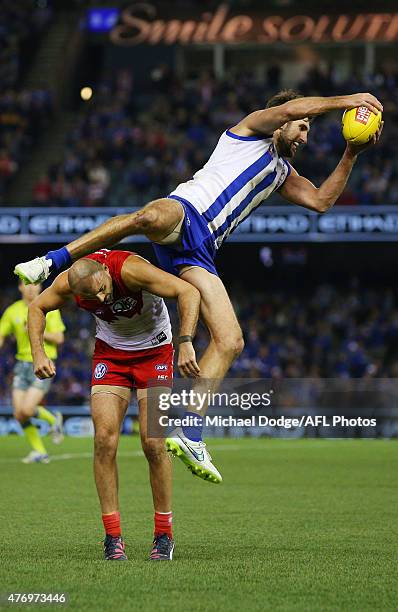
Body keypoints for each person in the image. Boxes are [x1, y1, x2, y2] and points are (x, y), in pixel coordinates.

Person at [15, 90, 384, 478]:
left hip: (200, 251)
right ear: (281, 120)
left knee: (230, 339)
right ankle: (52, 261)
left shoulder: (281, 174)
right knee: (145, 217)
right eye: (303, 127)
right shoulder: (248, 131)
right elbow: (293, 107)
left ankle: (190, 431)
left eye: (308, 131)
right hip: (186, 212)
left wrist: (351, 153)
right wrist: (348, 100)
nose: (305, 137)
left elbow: (322, 200)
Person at [27, 248, 202, 561]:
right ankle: (112, 536)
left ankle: (164, 534)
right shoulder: (69, 282)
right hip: (111, 356)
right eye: (92, 299)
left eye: (103, 290)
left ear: (104, 273)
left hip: (154, 352)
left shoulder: (130, 269)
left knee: (153, 442)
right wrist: (38, 353)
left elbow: (187, 290)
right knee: (103, 441)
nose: (103, 300)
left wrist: (186, 342)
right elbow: (38, 307)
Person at [0, 281, 65, 463]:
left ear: (40, 288)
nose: (30, 288)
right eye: (26, 284)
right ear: (20, 287)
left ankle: (52, 420)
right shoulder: (12, 311)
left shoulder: (48, 306)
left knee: (27, 409)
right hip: (21, 365)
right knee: (18, 413)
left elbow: (59, 337)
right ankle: (39, 451)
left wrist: (36, 330)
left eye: (35, 284)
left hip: (43, 363)